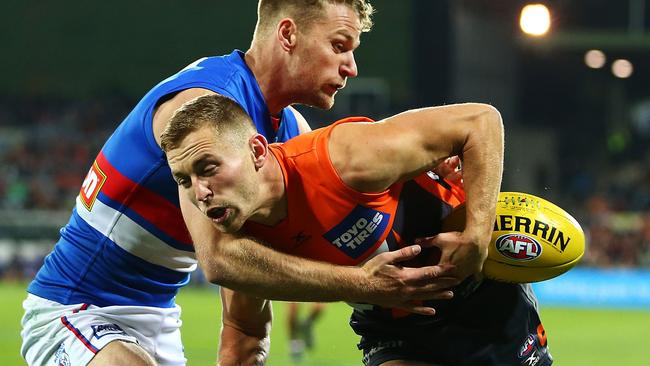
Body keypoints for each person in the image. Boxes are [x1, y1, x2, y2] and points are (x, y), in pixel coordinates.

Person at [21, 1, 461, 365]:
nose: (351, 67)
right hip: (76, 306)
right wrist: (364, 284)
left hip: (157, 318)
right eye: (339, 46)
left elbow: (246, 319)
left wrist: (421, 171)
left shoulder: (290, 135)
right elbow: (222, 261)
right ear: (287, 35)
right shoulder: (203, 111)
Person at [161, 94, 553, 366]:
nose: (200, 192)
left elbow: (480, 121)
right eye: (183, 180)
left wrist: (476, 235)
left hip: (481, 302)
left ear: (258, 152)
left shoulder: (342, 159)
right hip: (394, 330)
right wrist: (362, 285)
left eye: (208, 168)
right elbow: (243, 331)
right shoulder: (243, 246)